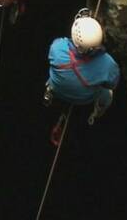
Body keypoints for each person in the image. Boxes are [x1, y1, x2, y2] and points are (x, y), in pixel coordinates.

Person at [44, 9, 120, 143]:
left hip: (57, 89)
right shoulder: (108, 64)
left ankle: (49, 92)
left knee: (56, 74)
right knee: (107, 93)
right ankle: (98, 110)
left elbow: (60, 49)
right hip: (85, 98)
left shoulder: (57, 48)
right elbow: (111, 83)